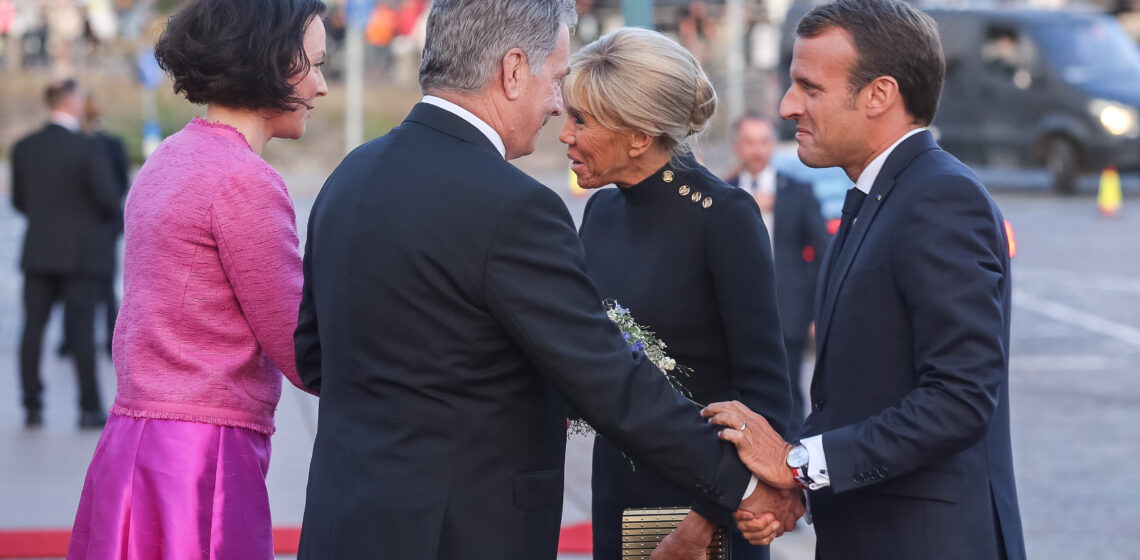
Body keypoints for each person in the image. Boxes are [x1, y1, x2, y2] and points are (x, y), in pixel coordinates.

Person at [295, 2, 801, 558]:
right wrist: (745, 489)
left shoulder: (350, 175)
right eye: (557, 80)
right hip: (458, 528)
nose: (557, 110)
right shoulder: (515, 206)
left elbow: (316, 355)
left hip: (345, 519)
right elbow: (600, 376)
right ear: (514, 70)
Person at [705, 1, 1027, 558]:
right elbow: (856, 399)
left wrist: (797, 463)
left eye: (810, 87)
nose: (787, 106)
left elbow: (960, 399)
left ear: (879, 94)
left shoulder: (940, 198)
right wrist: (797, 483)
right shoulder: (880, 196)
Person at [67, 0, 327, 557]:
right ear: (273, 63)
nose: (322, 87)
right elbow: (303, 349)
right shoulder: (244, 181)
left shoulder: (169, 158)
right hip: (200, 452)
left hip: (134, 438)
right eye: (315, 64)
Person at [563, 28, 791, 560]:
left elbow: (766, 392)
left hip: (703, 512)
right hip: (617, 493)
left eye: (582, 121)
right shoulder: (602, 212)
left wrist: (704, 522)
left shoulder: (724, 217)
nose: (565, 135)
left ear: (639, 135)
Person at [11, 78, 119, 430]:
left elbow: (19, 201)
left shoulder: (24, 147)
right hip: (80, 254)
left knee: (32, 330)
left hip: (39, 251)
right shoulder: (87, 148)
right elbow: (107, 199)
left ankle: (31, 404)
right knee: (82, 332)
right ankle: (88, 407)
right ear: (70, 102)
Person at [724, 114, 829, 436]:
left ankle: (792, 461)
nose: (757, 150)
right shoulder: (723, 193)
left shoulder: (797, 192)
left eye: (763, 141)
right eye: (749, 141)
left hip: (789, 312)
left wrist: (815, 311)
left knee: (789, 392)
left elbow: (822, 253)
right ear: (737, 145)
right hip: (735, 314)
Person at [59, 95, 130, 358]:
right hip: (105, 224)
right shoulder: (112, 144)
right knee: (105, 283)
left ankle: (69, 340)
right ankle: (110, 341)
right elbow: (121, 184)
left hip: (76, 223)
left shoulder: (75, 144)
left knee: (73, 282)